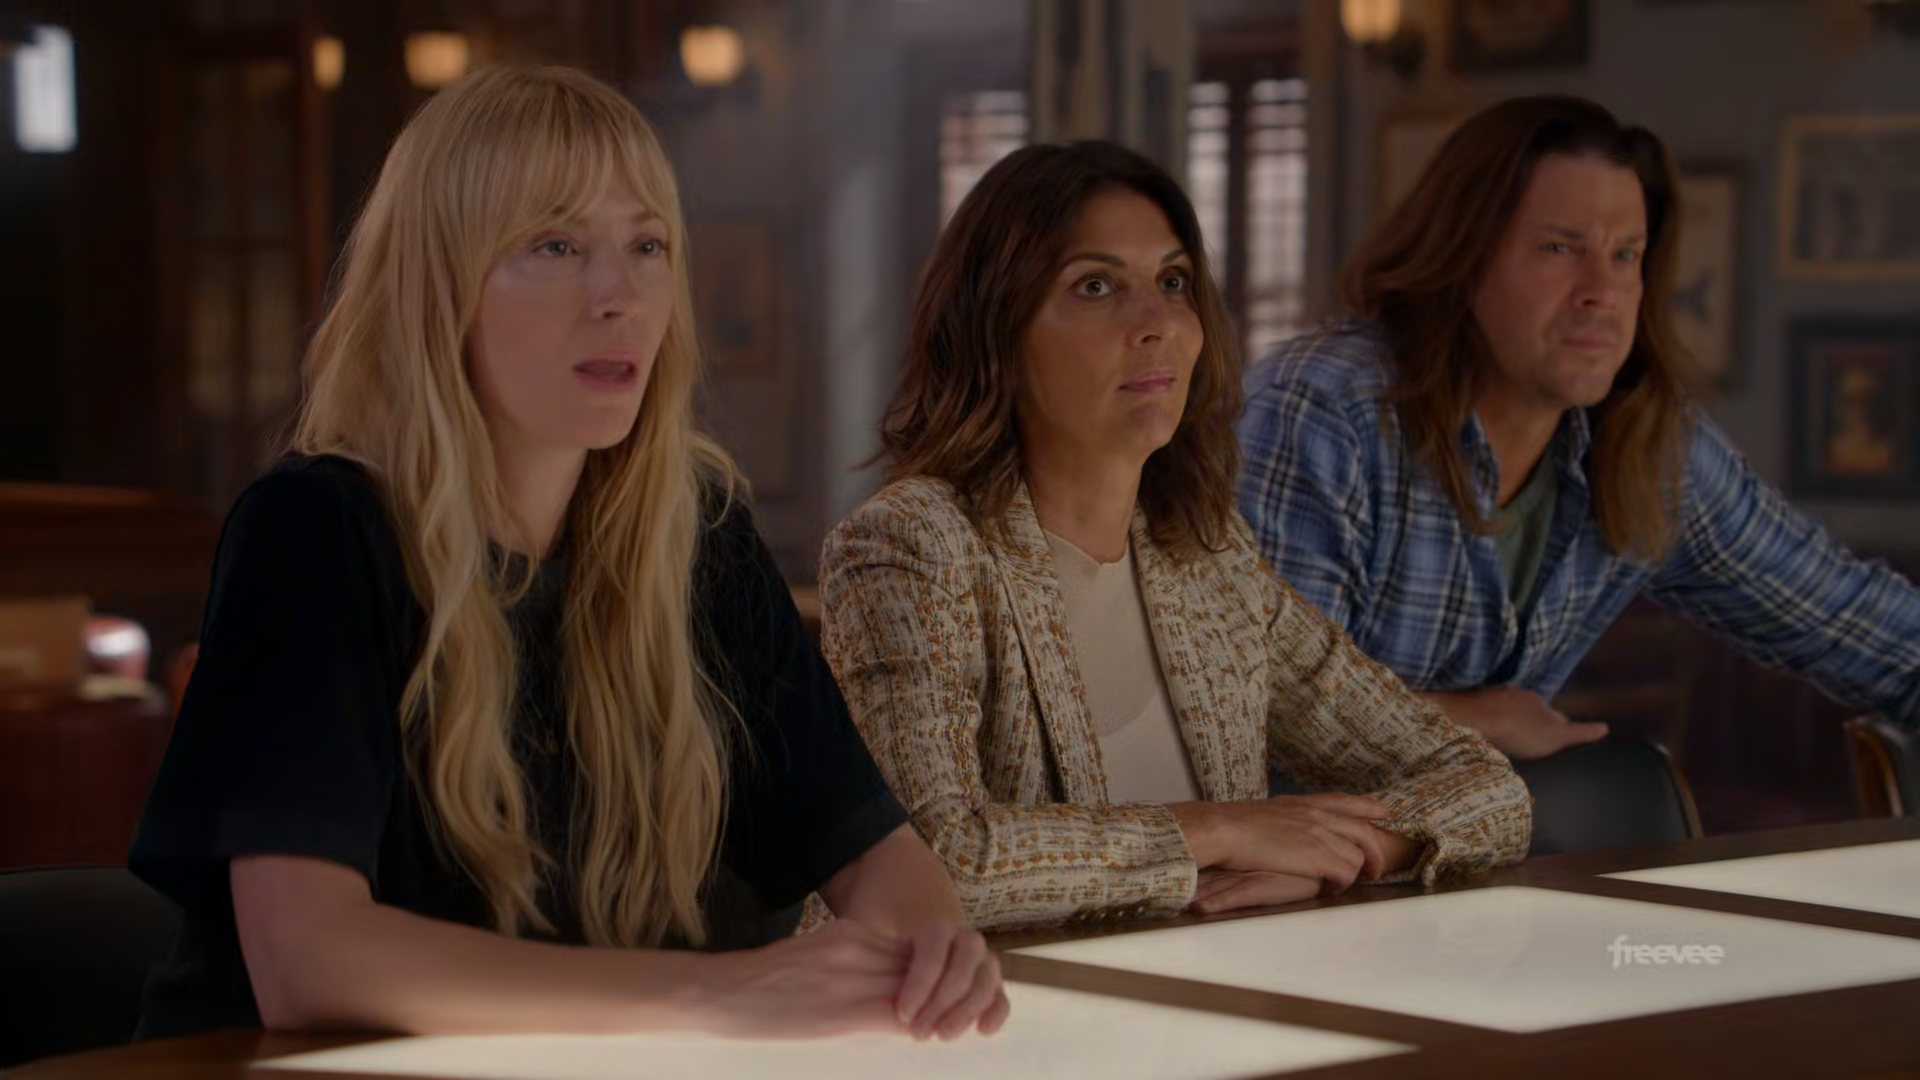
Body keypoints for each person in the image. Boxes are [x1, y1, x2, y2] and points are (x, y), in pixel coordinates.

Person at [131, 66, 1004, 1043]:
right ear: (441, 284)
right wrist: (712, 994)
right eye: (555, 245)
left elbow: (871, 849)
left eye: (646, 246)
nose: (618, 296)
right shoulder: (315, 532)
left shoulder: (699, 535)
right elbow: (308, 961)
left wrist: (933, 952)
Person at [818, 141, 1531, 930]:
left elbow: (1482, 784)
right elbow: (931, 863)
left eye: (1173, 282)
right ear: (996, 330)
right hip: (966, 1005)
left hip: (1196, 995)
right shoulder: (912, 546)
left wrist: (1347, 854)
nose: (1156, 322)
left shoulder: (1210, 558)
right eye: (1095, 286)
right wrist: (1218, 830)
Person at [1236, 94, 1920, 764]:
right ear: (1465, 262)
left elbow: (1859, 628)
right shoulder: (1323, 411)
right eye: (1560, 248)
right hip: (1283, 840)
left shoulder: (1646, 444)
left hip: (1477, 833)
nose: (1603, 291)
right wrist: (1486, 722)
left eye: (1626, 255)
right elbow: (1260, 714)